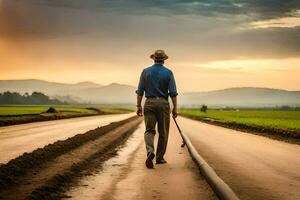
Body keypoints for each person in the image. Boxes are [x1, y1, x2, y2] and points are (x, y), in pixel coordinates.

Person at [136, 49, 178, 169]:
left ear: (153, 58)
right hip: (163, 103)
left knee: (149, 130)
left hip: (149, 102)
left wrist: (139, 105)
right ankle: (159, 158)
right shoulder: (168, 73)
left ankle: (150, 151)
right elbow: (173, 93)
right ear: (164, 60)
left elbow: (140, 91)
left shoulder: (145, 72)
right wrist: (174, 108)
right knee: (163, 132)